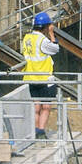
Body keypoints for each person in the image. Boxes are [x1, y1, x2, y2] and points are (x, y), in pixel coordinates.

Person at [21, 11, 60, 139]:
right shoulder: (42, 40)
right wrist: (51, 34)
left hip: (31, 77)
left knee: (36, 106)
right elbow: (55, 49)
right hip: (44, 78)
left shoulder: (26, 38)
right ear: (45, 26)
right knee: (46, 106)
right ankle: (41, 131)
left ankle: (35, 130)